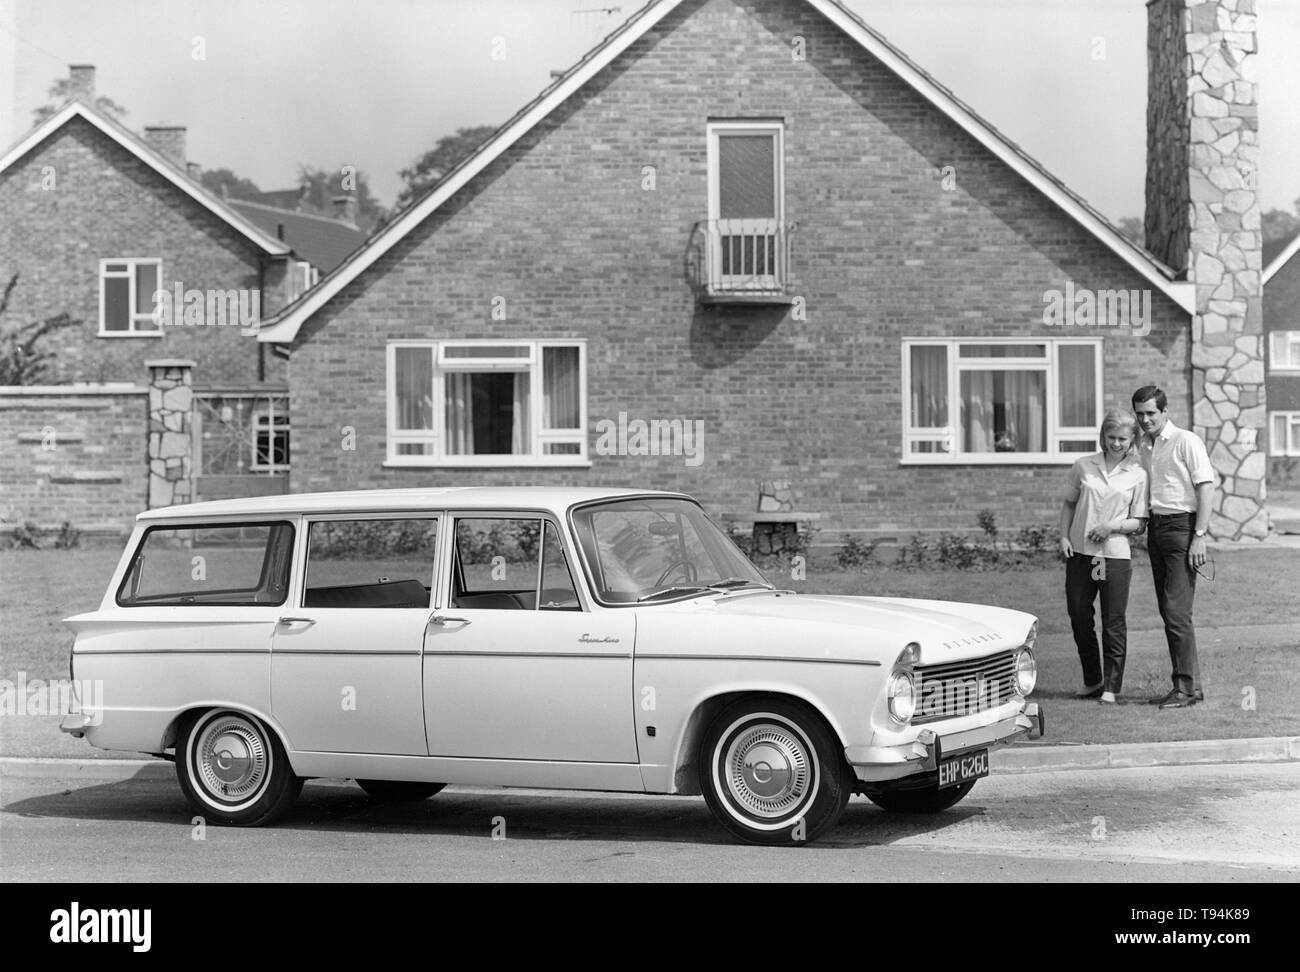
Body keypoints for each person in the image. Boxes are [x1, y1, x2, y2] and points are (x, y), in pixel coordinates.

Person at [1131, 385, 1215, 709]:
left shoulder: (1186, 441)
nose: (1145, 419)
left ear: (1165, 412)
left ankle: (1186, 689)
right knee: (1170, 611)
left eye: (1151, 413)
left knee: (1177, 611)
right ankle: (1189, 685)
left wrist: (1200, 535)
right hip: (1157, 528)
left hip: (1183, 528)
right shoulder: (1146, 446)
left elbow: (1205, 488)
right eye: (1140, 414)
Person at [1058, 410, 1148, 704]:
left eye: (1122, 438)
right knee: (1079, 615)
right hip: (1082, 554)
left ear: (1131, 438)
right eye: (1111, 437)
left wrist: (1111, 526)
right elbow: (1069, 505)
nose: (1116, 443)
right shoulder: (1083, 465)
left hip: (1114, 556)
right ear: (1103, 436)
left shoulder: (1138, 473)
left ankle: (1111, 686)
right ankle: (1092, 680)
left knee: (1113, 620)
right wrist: (1063, 536)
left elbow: (1139, 522)